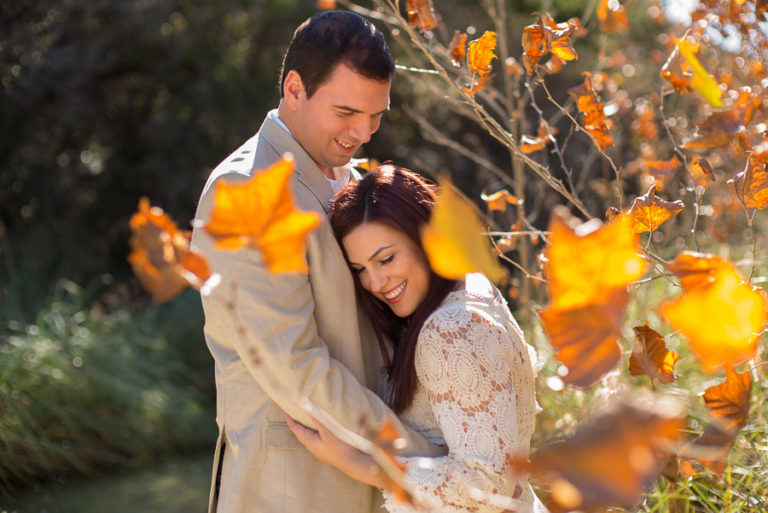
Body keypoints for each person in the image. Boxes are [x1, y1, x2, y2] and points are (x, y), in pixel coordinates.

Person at [190, 11, 443, 513]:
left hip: (373, 475)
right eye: (347, 112)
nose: (364, 131)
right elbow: (297, 368)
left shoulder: (352, 179)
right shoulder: (247, 191)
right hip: (290, 488)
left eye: (376, 115)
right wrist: (425, 455)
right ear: (295, 88)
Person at [286, 166, 549, 513]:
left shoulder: (450, 328)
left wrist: (358, 463)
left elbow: (486, 485)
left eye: (386, 258)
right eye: (360, 269)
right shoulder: (470, 289)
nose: (376, 282)